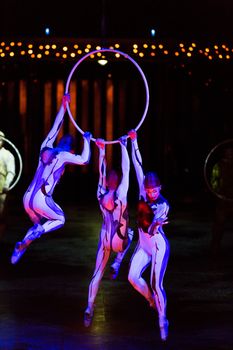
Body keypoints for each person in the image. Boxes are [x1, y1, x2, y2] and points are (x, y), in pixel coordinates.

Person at [11, 94, 92, 264]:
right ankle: (35, 234)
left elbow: (56, 126)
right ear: (70, 149)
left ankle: (21, 248)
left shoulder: (46, 146)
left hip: (26, 199)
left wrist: (63, 106)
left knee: (38, 226)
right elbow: (85, 159)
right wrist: (87, 140)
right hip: (41, 199)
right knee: (60, 219)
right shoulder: (63, 155)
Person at [84, 136, 133, 327]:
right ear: (118, 182)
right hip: (119, 239)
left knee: (97, 274)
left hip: (105, 239)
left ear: (108, 182)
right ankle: (118, 262)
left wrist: (102, 150)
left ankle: (89, 307)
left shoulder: (100, 193)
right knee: (131, 234)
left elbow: (101, 171)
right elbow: (127, 171)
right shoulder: (121, 195)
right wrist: (123, 146)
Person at [127, 129, 170, 342]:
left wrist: (155, 224)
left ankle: (162, 319)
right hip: (143, 244)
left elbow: (153, 227)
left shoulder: (163, 205)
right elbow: (138, 166)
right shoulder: (143, 193)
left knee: (156, 283)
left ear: (160, 188)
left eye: (155, 190)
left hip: (157, 245)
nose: (151, 193)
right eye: (149, 190)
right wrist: (134, 142)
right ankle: (151, 300)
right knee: (132, 277)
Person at [0, 131, 16, 219]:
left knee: (1, 212)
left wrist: (6, 184)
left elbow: (11, 172)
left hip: (2, 187)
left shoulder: (8, 155)